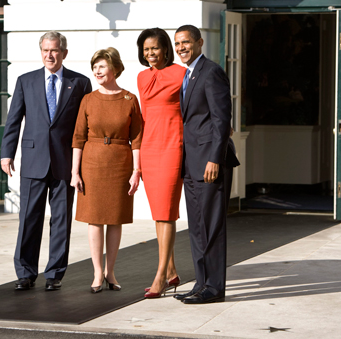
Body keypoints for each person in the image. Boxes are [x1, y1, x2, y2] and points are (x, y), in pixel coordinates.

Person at [1, 31, 92, 291]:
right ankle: (25, 273)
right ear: (40, 52)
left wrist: (84, 162)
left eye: (54, 50)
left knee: (61, 219)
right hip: (33, 159)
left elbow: (84, 125)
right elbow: (14, 120)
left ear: (64, 52)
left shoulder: (81, 82)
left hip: (65, 161)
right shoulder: (25, 81)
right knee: (29, 218)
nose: (49, 55)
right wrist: (7, 153)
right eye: (45, 50)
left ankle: (55, 274)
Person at [173, 25, 239, 304]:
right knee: (197, 227)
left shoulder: (211, 72)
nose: (181, 47)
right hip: (191, 164)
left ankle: (214, 288)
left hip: (210, 162)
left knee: (212, 227)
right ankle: (201, 283)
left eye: (186, 42)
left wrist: (215, 157)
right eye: (177, 43)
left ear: (199, 42)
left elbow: (222, 120)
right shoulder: (188, 75)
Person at [71, 47, 142, 293]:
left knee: (115, 219)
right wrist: (74, 172)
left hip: (120, 163)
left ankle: (111, 271)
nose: (96, 71)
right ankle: (97, 273)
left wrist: (137, 170)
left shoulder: (129, 99)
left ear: (114, 68)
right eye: (94, 67)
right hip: (92, 163)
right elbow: (78, 138)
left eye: (101, 66)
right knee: (94, 219)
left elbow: (138, 138)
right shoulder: (88, 99)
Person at [136, 28, 186, 299]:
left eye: (154, 48)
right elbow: (143, 116)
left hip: (172, 147)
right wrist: (138, 158)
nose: (150, 53)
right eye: (145, 49)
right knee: (159, 212)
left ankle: (159, 277)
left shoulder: (181, 74)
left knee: (166, 212)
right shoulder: (142, 77)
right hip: (149, 149)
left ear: (166, 49)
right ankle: (171, 270)